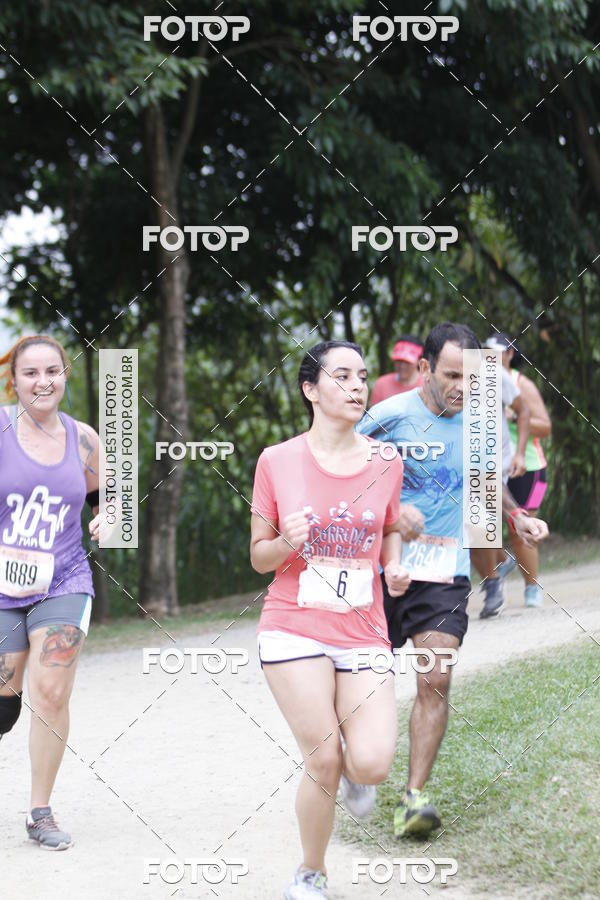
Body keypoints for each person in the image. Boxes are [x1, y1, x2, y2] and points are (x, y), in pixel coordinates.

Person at [357, 322, 549, 838]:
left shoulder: (481, 423)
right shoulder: (388, 416)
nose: (463, 387)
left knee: (435, 677)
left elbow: (485, 481)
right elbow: (339, 466)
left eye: (470, 377)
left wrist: (517, 518)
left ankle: (414, 798)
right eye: (451, 375)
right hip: (379, 569)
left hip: (444, 572)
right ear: (424, 369)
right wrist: (388, 513)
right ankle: (359, 765)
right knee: (365, 681)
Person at [250, 340, 410, 899]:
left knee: (370, 765)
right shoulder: (276, 460)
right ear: (310, 390)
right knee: (323, 758)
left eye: (363, 376)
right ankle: (310, 873)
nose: (357, 386)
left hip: (363, 628)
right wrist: (285, 544)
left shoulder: (387, 461)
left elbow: (389, 527)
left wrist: (393, 565)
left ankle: (351, 772)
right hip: (293, 624)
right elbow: (259, 557)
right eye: (341, 376)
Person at [0, 334, 102, 850]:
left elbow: (109, 500)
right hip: (2, 585)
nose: (43, 381)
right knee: (3, 700)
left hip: (64, 579)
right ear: (14, 381)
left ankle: (39, 811)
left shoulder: (84, 440)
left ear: (65, 375)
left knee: (53, 690)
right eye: (31, 373)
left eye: (52, 371)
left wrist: (109, 519)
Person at [488, 333, 552, 607]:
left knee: (520, 529)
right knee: (483, 523)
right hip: (496, 467)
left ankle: (532, 589)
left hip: (529, 468)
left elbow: (545, 426)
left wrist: (512, 415)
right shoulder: (480, 381)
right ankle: (503, 562)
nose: (490, 357)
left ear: (510, 353)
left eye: (496, 352)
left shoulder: (521, 384)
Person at [471, 338, 531, 618]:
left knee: (479, 520)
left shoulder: (496, 375)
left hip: (495, 459)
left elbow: (523, 410)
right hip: (464, 459)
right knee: (472, 529)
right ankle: (500, 563)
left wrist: (520, 454)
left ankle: (493, 583)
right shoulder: (449, 378)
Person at [369, 334, 424, 407]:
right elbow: (373, 413)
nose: (402, 366)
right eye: (399, 360)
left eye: (407, 362)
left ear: (419, 361)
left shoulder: (428, 385)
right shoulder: (381, 385)